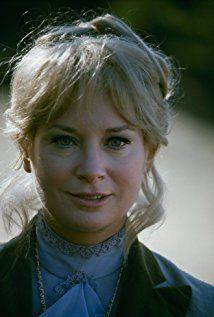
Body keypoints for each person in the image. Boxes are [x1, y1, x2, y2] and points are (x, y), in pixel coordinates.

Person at [0, 13, 213, 317]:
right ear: (25, 149)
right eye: (64, 140)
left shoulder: (201, 307)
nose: (91, 169)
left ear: (149, 152)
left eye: (116, 142)